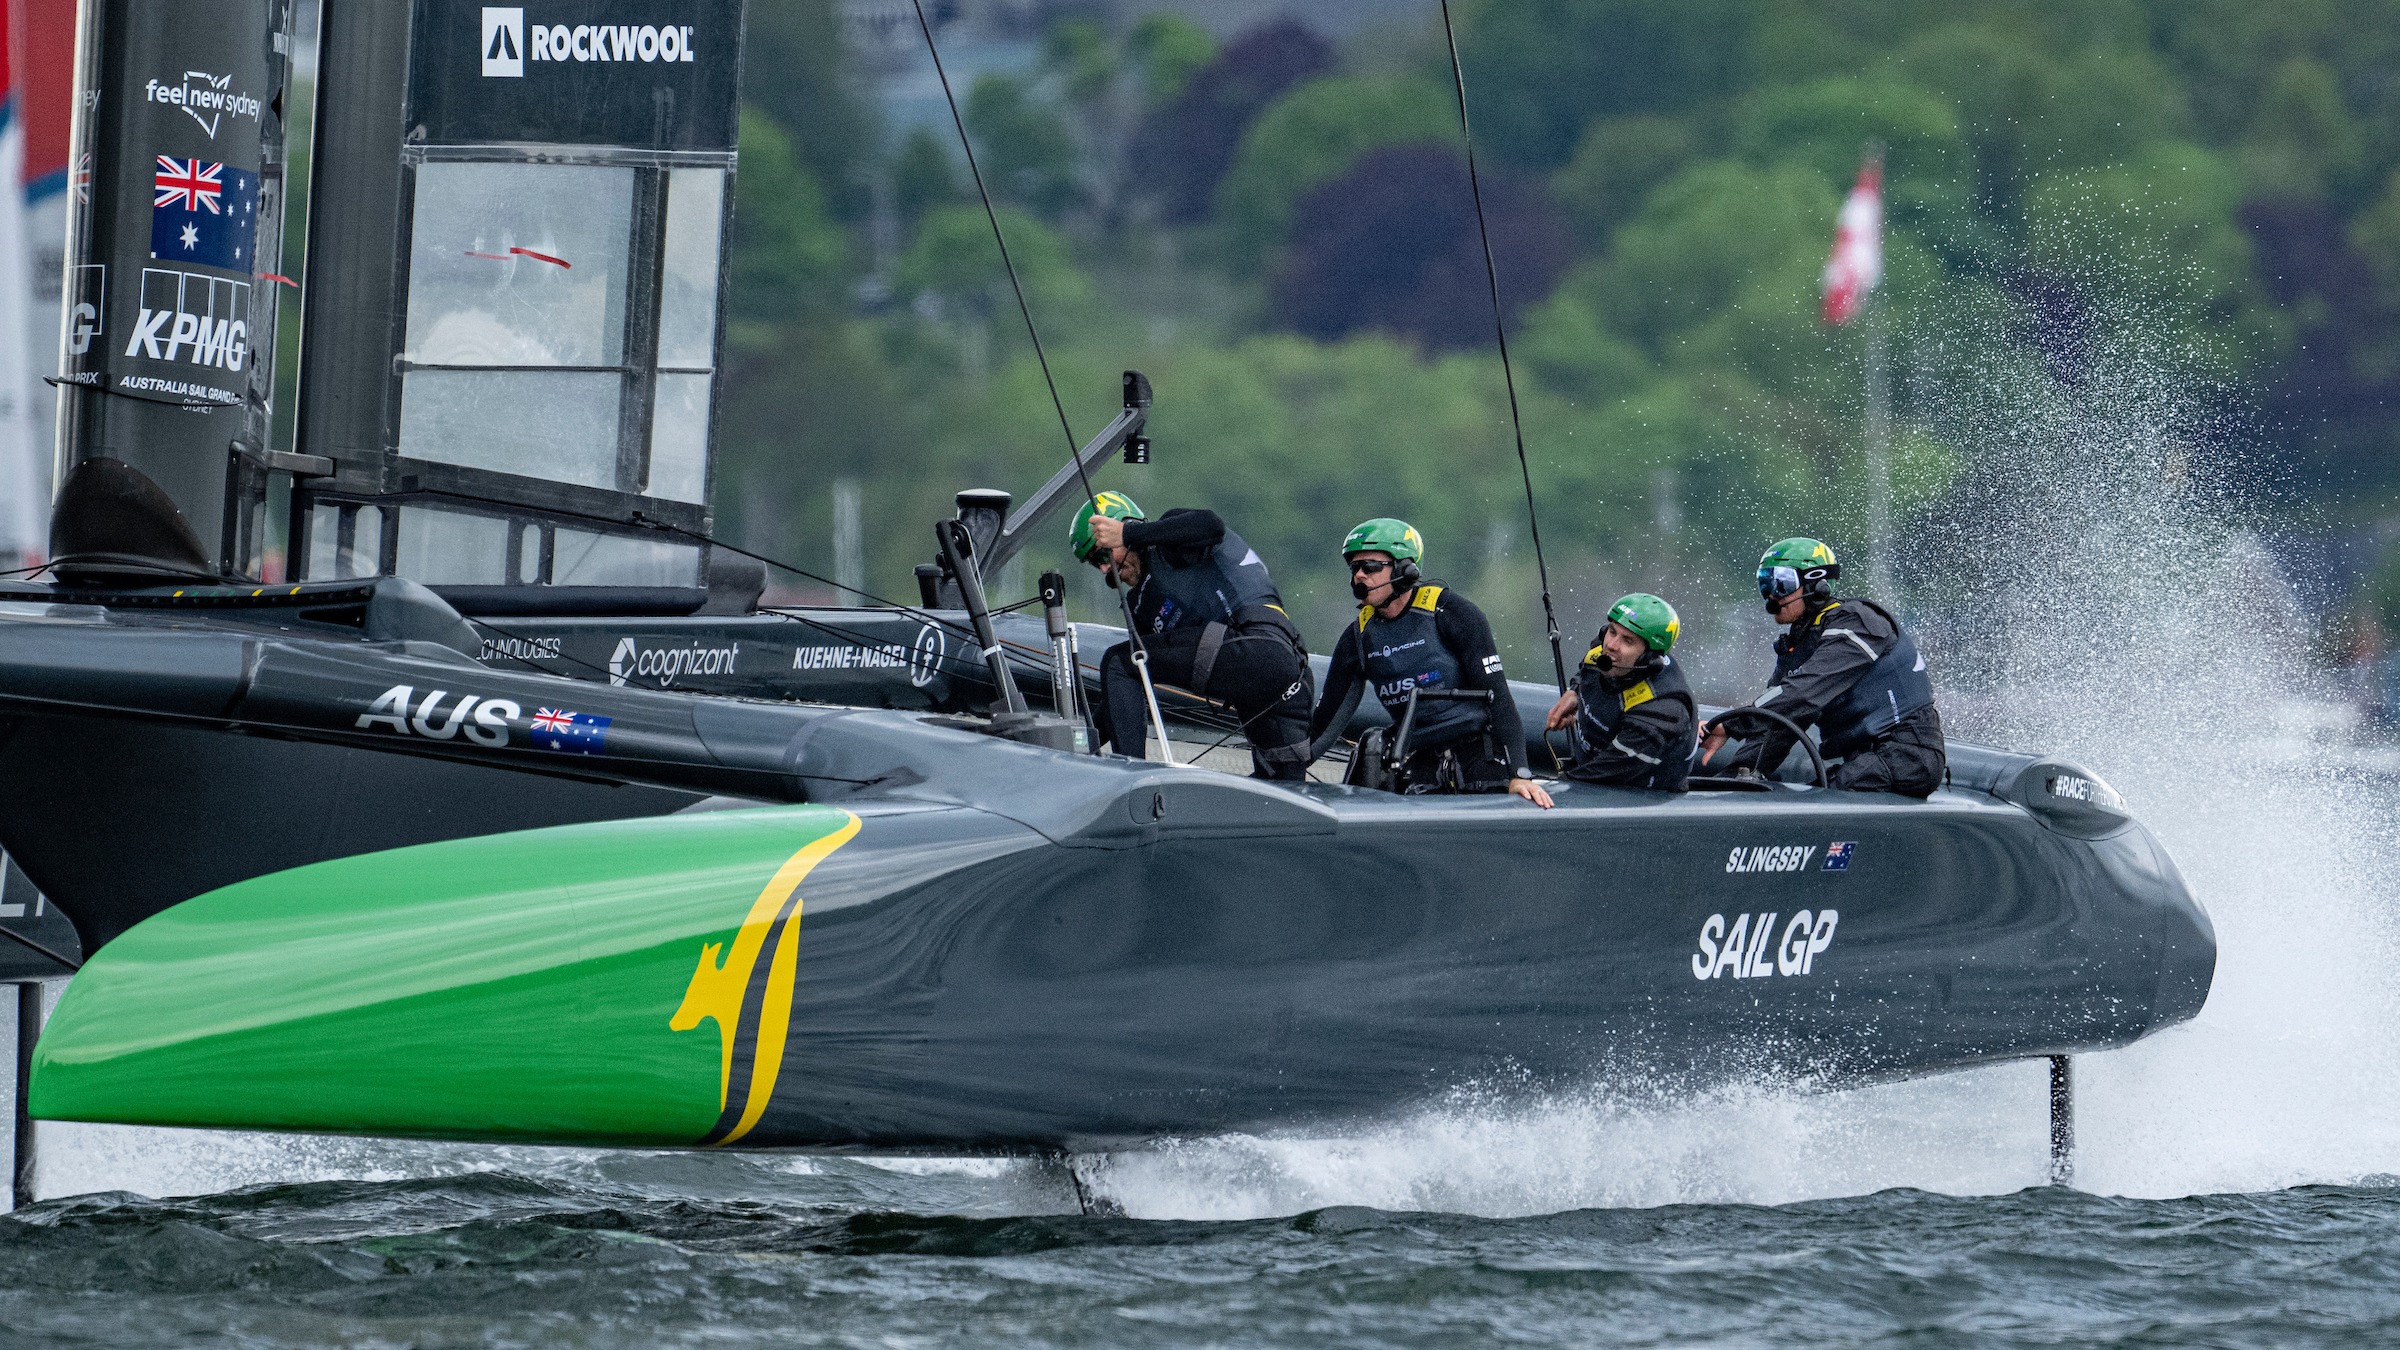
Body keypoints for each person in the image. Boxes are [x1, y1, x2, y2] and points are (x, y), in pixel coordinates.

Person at [1308, 518, 1552, 806]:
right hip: (1421, 762)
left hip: (1481, 757)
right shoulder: (1358, 637)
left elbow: (1498, 697)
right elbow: (1327, 719)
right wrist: (1285, 768)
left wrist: (1520, 773)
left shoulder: (1452, 612)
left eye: (1371, 566)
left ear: (1405, 569)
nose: (1359, 576)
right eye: (1354, 568)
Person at [1072, 492, 1315, 780]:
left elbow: (1211, 525)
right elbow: (1120, 695)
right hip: (1266, 679)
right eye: (1094, 563)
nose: (1103, 568)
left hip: (1261, 650)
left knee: (1119, 660)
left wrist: (1128, 533)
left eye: (1103, 553)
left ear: (1126, 526)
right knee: (1274, 792)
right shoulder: (1142, 607)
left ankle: (1128, 780)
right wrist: (1073, 748)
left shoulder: (1171, 541)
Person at [1700, 537, 1945, 797]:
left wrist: (1730, 725)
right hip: (1867, 759)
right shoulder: (1802, 643)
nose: (1771, 595)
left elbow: (1803, 693)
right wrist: (1740, 771)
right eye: (1765, 583)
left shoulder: (1857, 623)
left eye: (1781, 583)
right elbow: (1784, 716)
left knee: (1815, 802)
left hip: (1907, 757)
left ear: (1817, 584)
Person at [1543, 593, 1696, 791]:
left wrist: (1550, 785)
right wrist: (1575, 692)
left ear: (1649, 656)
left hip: (1637, 800)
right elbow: (1587, 671)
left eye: (1628, 641)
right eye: (1612, 631)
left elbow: (1602, 773)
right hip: (1590, 771)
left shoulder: (1663, 711)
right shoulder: (1607, 653)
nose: (1611, 645)